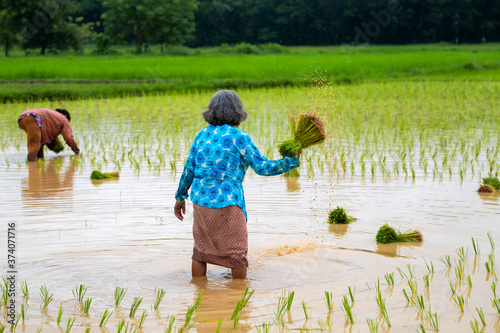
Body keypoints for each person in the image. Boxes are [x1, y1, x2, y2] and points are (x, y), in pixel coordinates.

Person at [174, 90, 300, 279]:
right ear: (237, 112)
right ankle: (239, 297)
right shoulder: (239, 137)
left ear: (211, 111)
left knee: (200, 252)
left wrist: (180, 197)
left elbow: (189, 170)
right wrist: (290, 160)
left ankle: (199, 293)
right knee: (237, 255)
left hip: (201, 202)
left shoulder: (201, 135)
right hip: (229, 203)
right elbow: (262, 167)